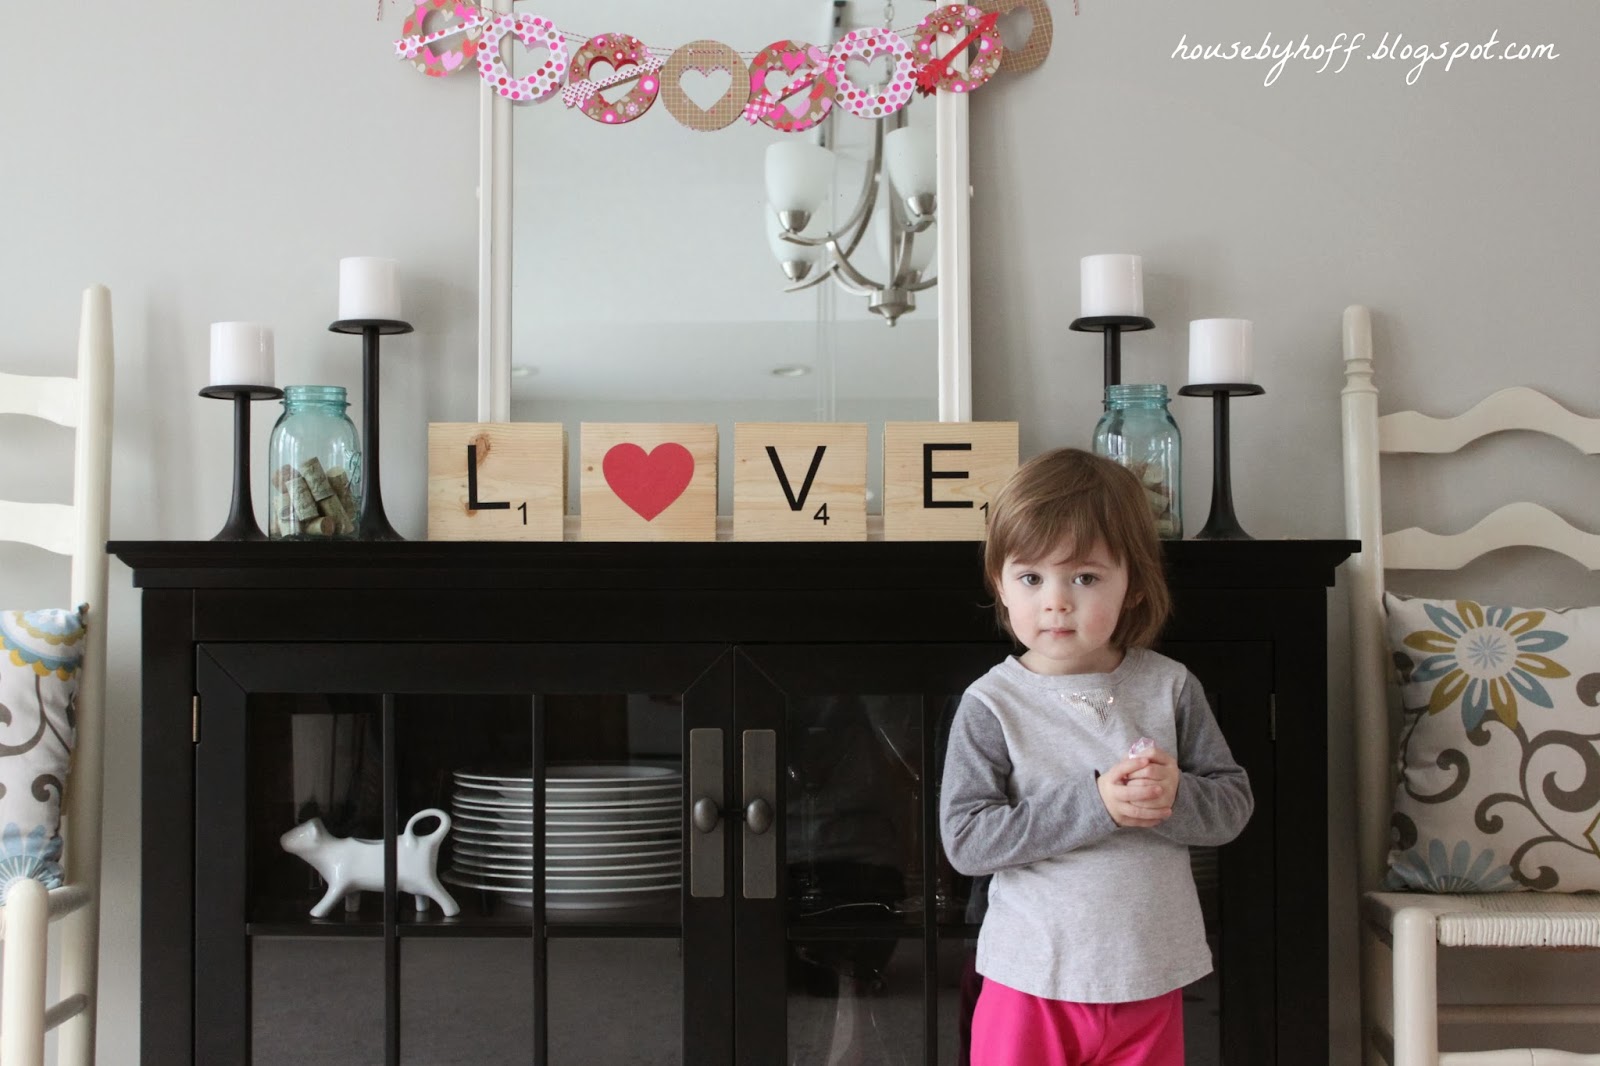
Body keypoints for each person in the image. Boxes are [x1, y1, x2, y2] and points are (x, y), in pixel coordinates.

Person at [939, 447, 1253, 1066]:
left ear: (1131, 582)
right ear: (1000, 584)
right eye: (1032, 578)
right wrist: (1097, 804)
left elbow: (1231, 804)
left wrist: (1177, 797)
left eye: (1084, 577)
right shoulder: (993, 702)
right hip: (1031, 978)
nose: (1056, 600)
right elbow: (967, 840)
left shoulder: (1170, 686)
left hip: (1148, 977)